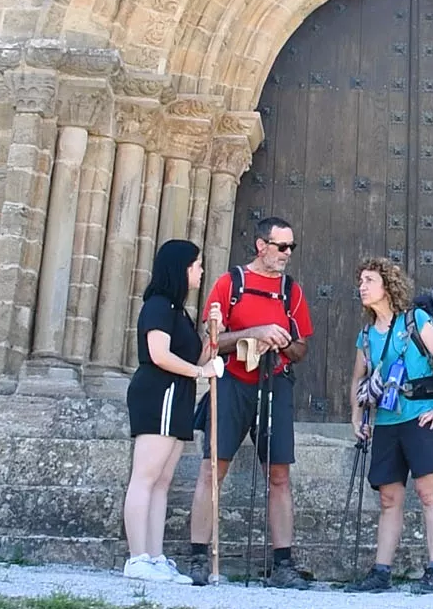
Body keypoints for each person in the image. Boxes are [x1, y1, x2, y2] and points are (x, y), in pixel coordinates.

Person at [184, 217, 314, 589]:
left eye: (291, 247)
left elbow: (302, 348)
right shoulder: (231, 284)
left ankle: (283, 565)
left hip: (275, 383)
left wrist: (283, 343)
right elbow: (212, 340)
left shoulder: (292, 291)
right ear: (261, 245)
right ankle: (198, 557)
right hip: (232, 384)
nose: (287, 254)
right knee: (213, 469)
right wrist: (254, 333)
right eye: (281, 246)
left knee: (279, 475)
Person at [344, 256, 433, 594]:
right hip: (387, 422)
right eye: (361, 281)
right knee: (389, 499)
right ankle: (381, 572)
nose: (362, 287)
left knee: (428, 493)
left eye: (369, 281)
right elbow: (357, 379)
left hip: (421, 416)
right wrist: (355, 416)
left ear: (387, 287)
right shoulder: (365, 335)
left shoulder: (415, 320)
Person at [122, 239, 220, 584]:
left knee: (162, 481)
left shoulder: (180, 312)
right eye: (197, 265)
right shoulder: (159, 306)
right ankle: (137, 559)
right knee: (145, 477)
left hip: (179, 395)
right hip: (159, 392)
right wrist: (200, 373)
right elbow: (160, 354)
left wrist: (211, 344)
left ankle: (155, 556)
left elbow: (193, 359)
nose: (201, 271)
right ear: (181, 268)